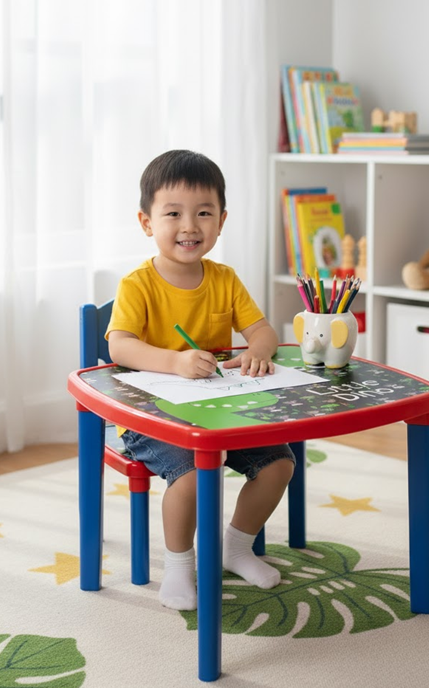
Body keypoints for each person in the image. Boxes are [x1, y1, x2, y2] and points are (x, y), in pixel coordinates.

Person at [106, 149, 295, 611]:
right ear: (147, 222)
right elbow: (120, 347)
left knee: (279, 464)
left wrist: (258, 350)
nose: (189, 226)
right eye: (173, 213)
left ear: (221, 221)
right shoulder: (137, 285)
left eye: (204, 213)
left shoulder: (225, 279)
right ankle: (178, 566)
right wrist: (174, 362)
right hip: (153, 418)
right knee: (192, 474)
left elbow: (264, 332)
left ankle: (236, 548)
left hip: (221, 413)